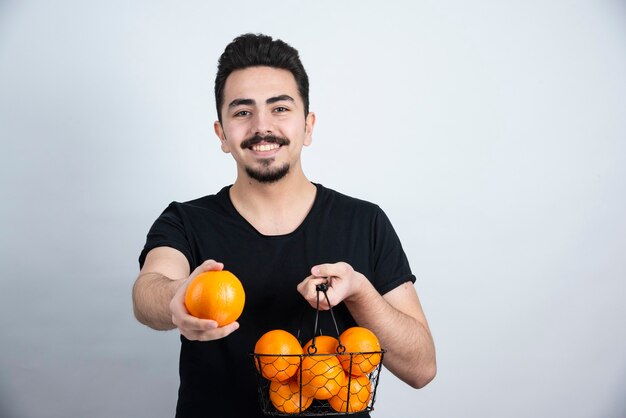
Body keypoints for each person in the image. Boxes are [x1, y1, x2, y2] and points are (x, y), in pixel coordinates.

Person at [132, 33, 436, 418]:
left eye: (279, 109)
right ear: (221, 134)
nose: (262, 126)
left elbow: (422, 368)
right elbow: (148, 290)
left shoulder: (364, 221)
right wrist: (177, 296)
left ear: (308, 126)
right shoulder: (186, 221)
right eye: (242, 112)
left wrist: (361, 293)